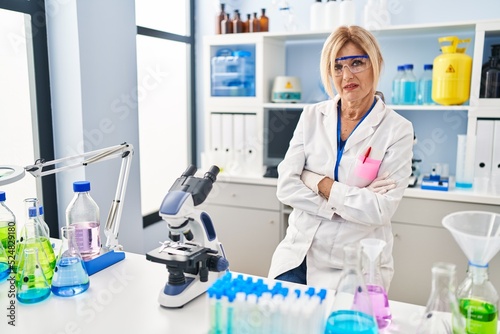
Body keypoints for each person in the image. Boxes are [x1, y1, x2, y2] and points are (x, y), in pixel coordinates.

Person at [267, 25, 414, 291]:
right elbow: (286, 187)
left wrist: (319, 183)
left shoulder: (397, 129)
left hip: (355, 265)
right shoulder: (312, 116)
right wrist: (349, 202)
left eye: (357, 63)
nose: (347, 75)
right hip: (299, 254)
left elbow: (379, 210)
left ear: (376, 64)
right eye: (337, 66)